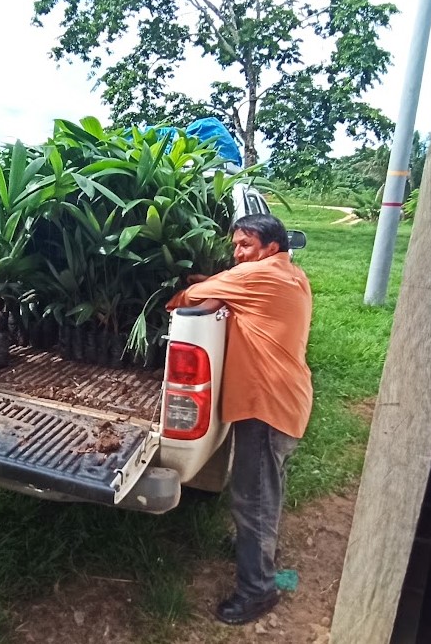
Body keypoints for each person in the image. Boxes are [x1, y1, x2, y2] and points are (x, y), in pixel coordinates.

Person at [165, 213, 313, 626]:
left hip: (266, 408)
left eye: (244, 245)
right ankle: (262, 553)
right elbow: (224, 286)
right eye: (235, 245)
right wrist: (218, 283)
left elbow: (188, 300)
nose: (236, 253)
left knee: (253, 499)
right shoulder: (289, 275)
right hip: (285, 401)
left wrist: (191, 290)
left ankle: (257, 591)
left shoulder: (258, 278)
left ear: (271, 248)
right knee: (267, 489)